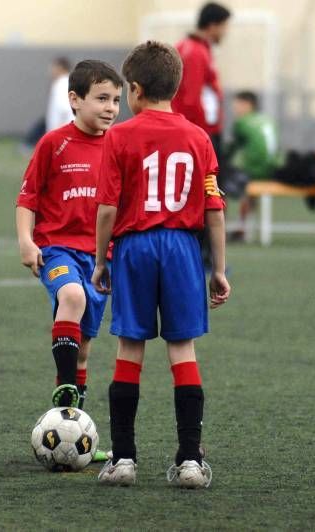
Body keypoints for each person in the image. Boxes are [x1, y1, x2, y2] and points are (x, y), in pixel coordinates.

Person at [92, 41, 231, 488]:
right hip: (181, 249)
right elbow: (214, 209)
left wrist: (100, 260)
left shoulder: (119, 135)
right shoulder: (198, 137)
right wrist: (220, 268)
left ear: (134, 89)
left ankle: (124, 460)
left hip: (134, 247)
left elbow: (108, 208)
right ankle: (190, 461)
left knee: (130, 349)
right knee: (182, 351)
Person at [15, 60, 123, 461]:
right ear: (74, 100)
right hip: (57, 249)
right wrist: (26, 242)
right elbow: (27, 198)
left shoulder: (119, 146)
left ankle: (74, 423)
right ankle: (65, 393)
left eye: (116, 100)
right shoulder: (54, 143)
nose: (111, 108)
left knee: (84, 349)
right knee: (72, 298)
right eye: (102, 99)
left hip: (101, 258)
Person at [172, 2, 230, 268]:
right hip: (200, 135)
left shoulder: (192, 48)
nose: (226, 33)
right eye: (225, 26)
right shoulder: (196, 52)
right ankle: (204, 256)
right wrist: (199, 137)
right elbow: (191, 99)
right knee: (207, 194)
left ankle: (200, 254)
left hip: (196, 133)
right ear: (213, 25)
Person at [223, 91, 278, 239]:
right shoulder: (267, 119)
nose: (235, 108)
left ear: (248, 105)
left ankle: (221, 227)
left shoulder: (242, 122)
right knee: (248, 190)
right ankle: (243, 226)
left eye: (238, 105)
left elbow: (231, 150)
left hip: (255, 169)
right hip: (271, 169)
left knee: (219, 182)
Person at [45, 57, 75, 133]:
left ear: (60, 68)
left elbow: (64, 108)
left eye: (53, 67)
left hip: (62, 130)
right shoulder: (71, 81)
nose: (51, 71)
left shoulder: (61, 83)